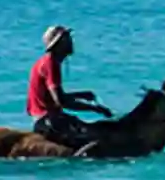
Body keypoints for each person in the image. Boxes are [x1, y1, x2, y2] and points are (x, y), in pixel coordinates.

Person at [27, 26, 111, 154]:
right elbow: (61, 101)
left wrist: (80, 95)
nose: (71, 42)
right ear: (58, 44)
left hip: (45, 118)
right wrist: (95, 109)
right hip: (48, 120)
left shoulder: (46, 62)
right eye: (67, 39)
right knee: (96, 142)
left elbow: (56, 97)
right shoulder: (50, 64)